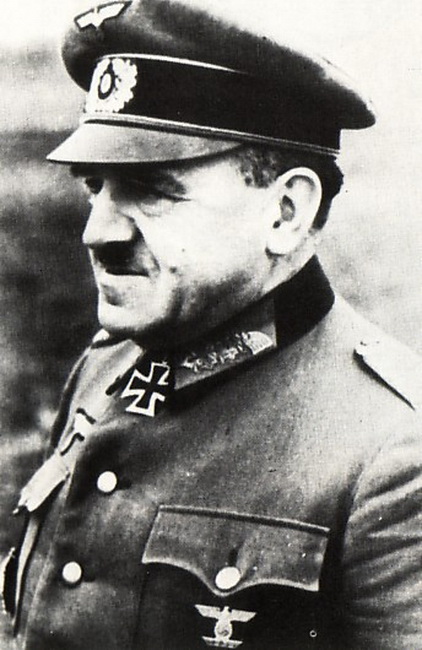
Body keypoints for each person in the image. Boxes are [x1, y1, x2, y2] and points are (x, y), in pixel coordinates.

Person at [2, 0, 422, 648]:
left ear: (285, 213)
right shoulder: (107, 365)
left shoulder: (392, 453)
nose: (97, 232)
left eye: (151, 188)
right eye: (95, 186)